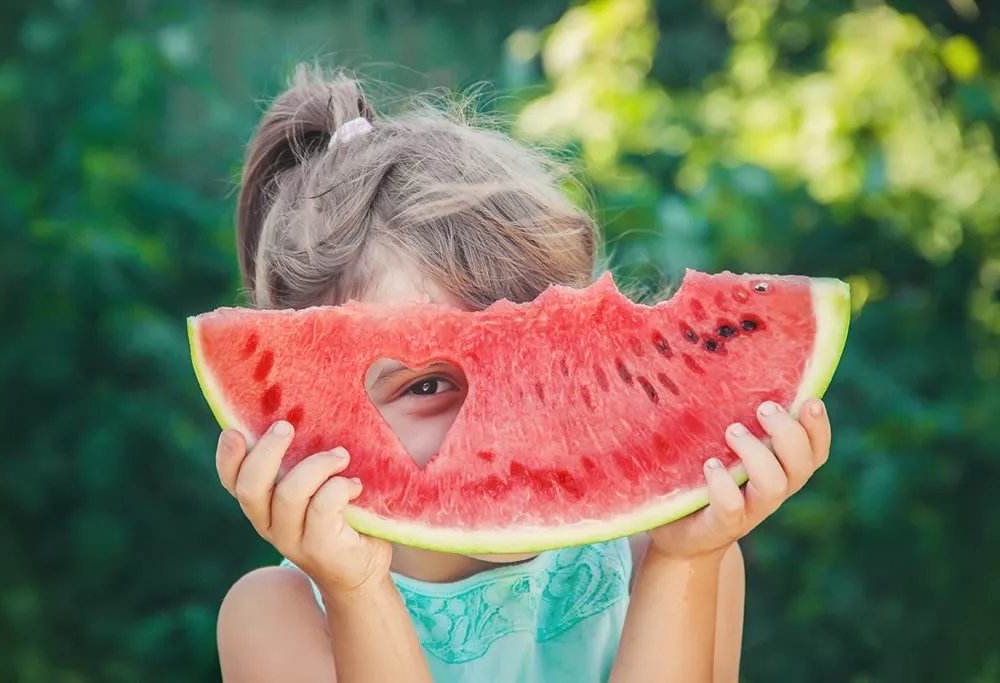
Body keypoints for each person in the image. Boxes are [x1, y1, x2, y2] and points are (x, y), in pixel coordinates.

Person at [213, 65, 832, 683]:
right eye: (427, 384)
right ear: (313, 417)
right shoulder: (276, 616)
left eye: (544, 371)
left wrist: (683, 561)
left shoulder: (682, 550)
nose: (501, 423)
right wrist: (358, 593)